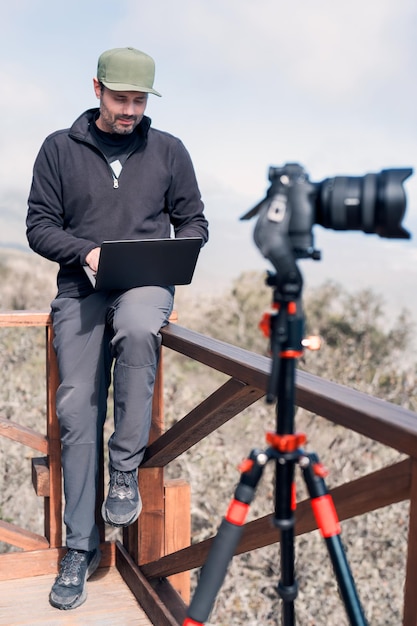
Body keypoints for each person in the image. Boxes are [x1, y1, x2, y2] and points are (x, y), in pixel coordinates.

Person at [26, 46, 208, 611]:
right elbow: (39, 225)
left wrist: (174, 253)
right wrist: (87, 253)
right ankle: (79, 550)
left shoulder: (169, 151)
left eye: (138, 100)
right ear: (97, 89)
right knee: (76, 407)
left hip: (146, 286)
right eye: (121, 98)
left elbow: (195, 220)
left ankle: (124, 472)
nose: (129, 110)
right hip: (81, 287)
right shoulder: (58, 149)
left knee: (136, 328)